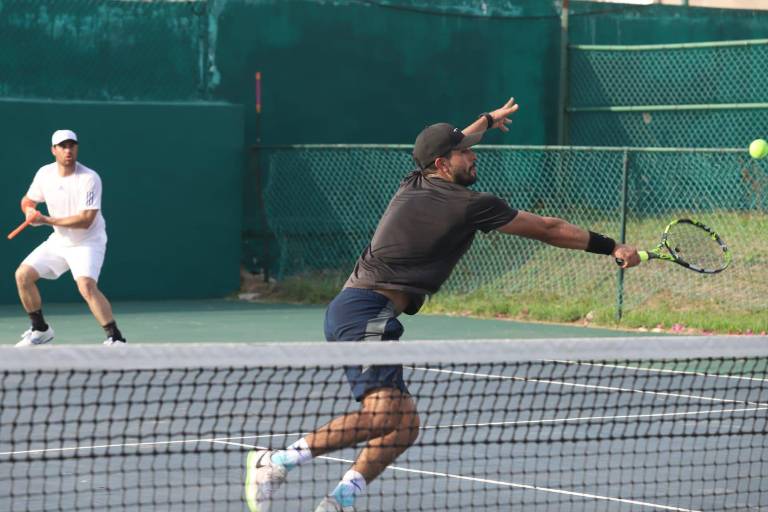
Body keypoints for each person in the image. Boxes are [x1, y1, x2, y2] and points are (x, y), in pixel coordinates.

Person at [244, 98, 640, 512]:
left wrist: (486, 121)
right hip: (364, 312)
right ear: (441, 165)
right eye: (464, 153)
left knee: (404, 427)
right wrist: (612, 246)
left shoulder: (413, 180)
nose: (472, 155)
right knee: (382, 418)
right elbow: (548, 228)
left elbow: (447, 142)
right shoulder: (472, 205)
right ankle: (275, 462)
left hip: (362, 310)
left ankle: (338, 503)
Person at [14, 129, 126, 347]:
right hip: (60, 240)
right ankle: (40, 329)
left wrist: (45, 219)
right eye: (62, 146)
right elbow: (27, 201)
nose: (68, 150)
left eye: (71, 145)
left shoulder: (89, 178)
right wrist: (29, 212)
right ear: (53, 150)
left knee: (86, 285)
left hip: (88, 242)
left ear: (76, 148)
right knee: (23, 275)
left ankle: (115, 337)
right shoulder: (44, 174)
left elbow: (86, 219)